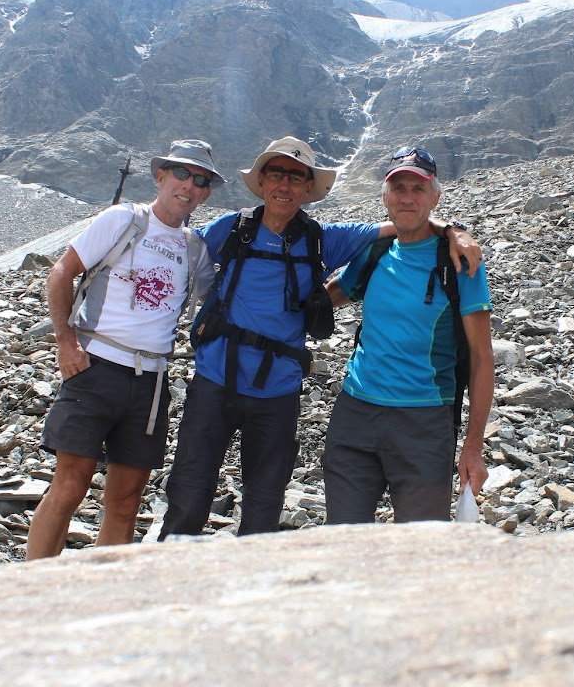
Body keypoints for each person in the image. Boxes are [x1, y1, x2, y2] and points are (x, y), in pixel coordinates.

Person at [160, 136, 481, 538]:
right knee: (188, 493)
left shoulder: (323, 240)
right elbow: (172, 247)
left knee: (264, 506)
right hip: (214, 382)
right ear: (261, 181)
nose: (284, 185)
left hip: (276, 393)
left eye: (296, 177)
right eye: (276, 174)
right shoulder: (231, 229)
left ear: (308, 189)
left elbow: (404, 221)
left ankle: (254, 594)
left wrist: (454, 230)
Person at [27, 139, 224, 560]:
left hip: (151, 383)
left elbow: (216, 300)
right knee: (70, 484)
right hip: (95, 366)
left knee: (127, 498)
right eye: (182, 174)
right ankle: (32, 592)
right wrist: (66, 343)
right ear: (160, 176)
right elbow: (63, 271)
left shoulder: (196, 250)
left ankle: (103, 597)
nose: (189, 185)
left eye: (200, 180)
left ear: (206, 193)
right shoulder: (123, 219)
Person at [323, 145, 493, 524]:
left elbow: (482, 357)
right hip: (355, 413)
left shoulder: (459, 264)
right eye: (398, 188)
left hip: (424, 422)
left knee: (422, 547)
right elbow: (329, 298)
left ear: (436, 196)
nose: (407, 198)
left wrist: (473, 446)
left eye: (418, 189)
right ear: (385, 197)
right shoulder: (375, 251)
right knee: (342, 538)